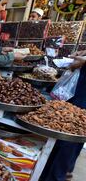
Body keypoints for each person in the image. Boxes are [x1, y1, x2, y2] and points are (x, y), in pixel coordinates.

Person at [40, 50, 86, 181]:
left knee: (72, 138)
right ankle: (47, 174)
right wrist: (81, 57)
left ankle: (56, 176)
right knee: (60, 136)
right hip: (78, 92)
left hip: (83, 100)